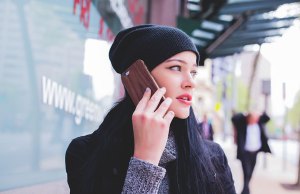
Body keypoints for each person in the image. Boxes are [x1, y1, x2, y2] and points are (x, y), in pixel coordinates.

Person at [65, 24, 236, 194]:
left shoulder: (213, 157)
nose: (190, 82)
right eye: (176, 68)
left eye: (193, 72)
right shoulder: (86, 153)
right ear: (141, 77)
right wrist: (145, 162)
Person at [231, 111, 271, 194]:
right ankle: (246, 191)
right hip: (245, 153)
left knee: (250, 172)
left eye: (255, 119)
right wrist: (244, 114)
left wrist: (260, 113)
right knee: (246, 172)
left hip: (255, 152)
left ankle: (245, 190)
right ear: (248, 119)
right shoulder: (243, 124)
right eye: (252, 119)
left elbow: (268, 118)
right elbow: (233, 119)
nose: (254, 121)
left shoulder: (259, 122)